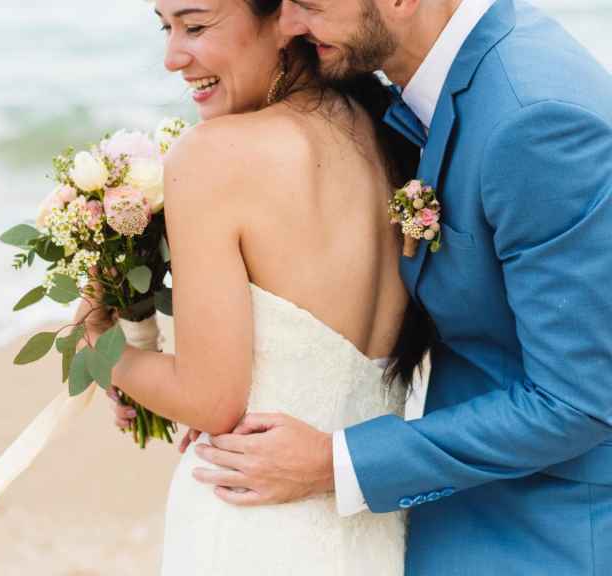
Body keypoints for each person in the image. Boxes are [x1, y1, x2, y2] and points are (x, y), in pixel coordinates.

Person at [185, 0, 612, 573]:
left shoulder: (534, 119)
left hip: (538, 534)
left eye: (308, 4)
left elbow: (579, 400)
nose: (286, 26)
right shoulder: (430, 87)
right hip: (444, 510)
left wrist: (336, 463)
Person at [78, 0, 423, 573]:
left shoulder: (214, 156)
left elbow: (210, 400)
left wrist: (96, 350)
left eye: (195, 25)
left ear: (284, 20)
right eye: (166, 29)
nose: (172, 57)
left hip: (250, 525)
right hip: (373, 531)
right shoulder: (390, 135)